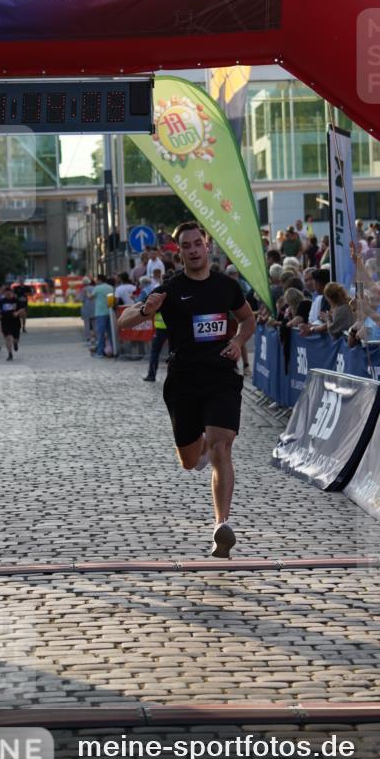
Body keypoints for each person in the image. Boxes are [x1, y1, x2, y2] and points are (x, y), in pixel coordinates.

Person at [118, 221, 255, 558]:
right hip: (183, 381)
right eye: (186, 246)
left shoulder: (226, 286)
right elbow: (124, 323)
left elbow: (248, 319)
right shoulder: (170, 289)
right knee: (189, 460)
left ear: (207, 246)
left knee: (223, 445)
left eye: (198, 244)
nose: (193, 250)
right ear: (178, 252)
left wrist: (238, 341)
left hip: (221, 374)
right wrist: (146, 310)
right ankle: (202, 448)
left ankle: (221, 525)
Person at [0, 285, 25, 360]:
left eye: (9, 294)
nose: (8, 295)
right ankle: (10, 354)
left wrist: (17, 313)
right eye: (6, 294)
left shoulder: (16, 300)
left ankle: (15, 343)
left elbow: (23, 309)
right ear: (4, 294)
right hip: (5, 321)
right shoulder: (2, 301)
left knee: (15, 339)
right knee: (8, 337)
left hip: (15, 322)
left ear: (11, 293)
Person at [88, 273, 114, 358]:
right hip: (109, 312)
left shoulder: (97, 288)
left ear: (99, 280)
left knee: (101, 333)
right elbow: (111, 300)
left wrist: (87, 293)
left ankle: (100, 352)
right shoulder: (110, 287)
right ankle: (113, 350)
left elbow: (90, 297)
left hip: (100, 313)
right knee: (110, 332)